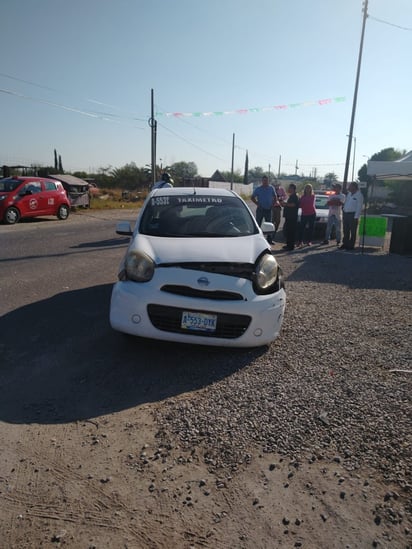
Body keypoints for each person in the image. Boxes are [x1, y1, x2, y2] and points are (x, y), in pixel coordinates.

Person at [251, 175, 277, 244]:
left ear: (268, 181)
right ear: (262, 181)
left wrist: (272, 205)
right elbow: (252, 197)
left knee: (269, 225)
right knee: (258, 224)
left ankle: (269, 240)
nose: (265, 182)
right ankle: (257, 239)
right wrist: (257, 204)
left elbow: (275, 197)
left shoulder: (271, 188)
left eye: (266, 180)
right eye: (264, 180)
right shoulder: (258, 189)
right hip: (260, 209)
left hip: (268, 209)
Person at [340, 182, 364, 250]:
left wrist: (356, 217)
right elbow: (346, 202)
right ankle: (345, 244)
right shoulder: (349, 194)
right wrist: (344, 210)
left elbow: (359, 207)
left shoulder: (359, 195)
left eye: (350, 186)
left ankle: (351, 245)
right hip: (346, 214)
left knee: (353, 231)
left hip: (353, 215)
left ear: (354, 187)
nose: (348, 187)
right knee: (345, 230)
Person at [280, 183, 299, 251]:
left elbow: (293, 205)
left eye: (290, 188)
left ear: (293, 189)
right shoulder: (291, 196)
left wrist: (285, 204)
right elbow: (289, 204)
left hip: (292, 217)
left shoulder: (295, 196)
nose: (289, 189)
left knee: (291, 231)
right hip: (289, 216)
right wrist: (283, 204)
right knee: (288, 231)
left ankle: (291, 246)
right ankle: (288, 244)